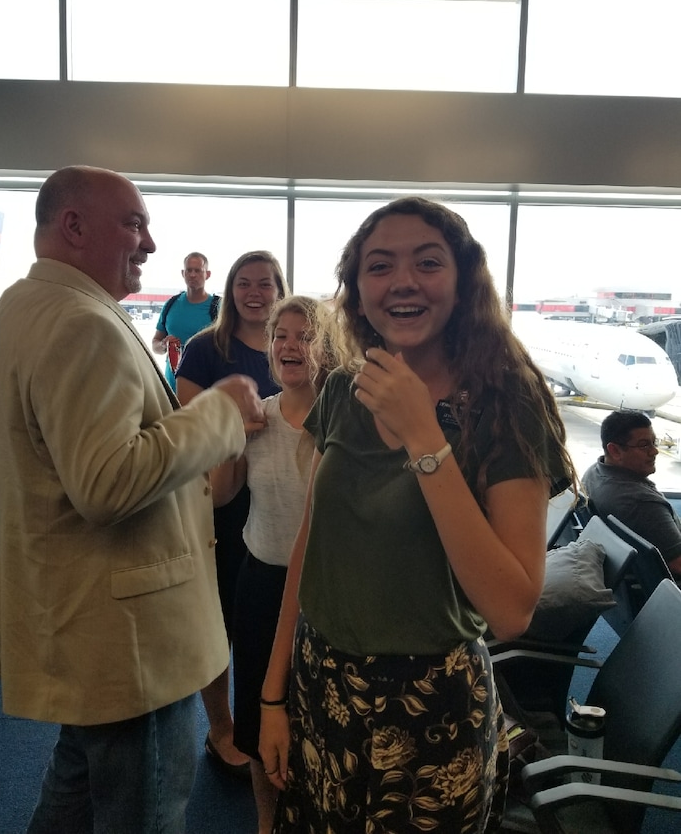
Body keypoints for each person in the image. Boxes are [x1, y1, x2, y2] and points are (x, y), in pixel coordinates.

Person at [259, 197, 575, 833]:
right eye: (380, 266)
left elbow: (511, 609)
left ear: (462, 282)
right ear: (359, 290)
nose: (402, 281)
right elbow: (311, 544)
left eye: (427, 262)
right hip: (323, 681)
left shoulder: (505, 402)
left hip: (430, 705)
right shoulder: (348, 388)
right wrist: (272, 694)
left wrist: (425, 440)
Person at [0, 166, 264, 834]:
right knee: (141, 810)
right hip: (127, 638)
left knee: (73, 795)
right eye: (134, 222)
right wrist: (218, 413)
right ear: (73, 226)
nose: (151, 243)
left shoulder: (20, 311)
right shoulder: (82, 323)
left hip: (84, 620)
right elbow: (105, 482)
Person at [210, 295, 343, 833]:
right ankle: (266, 823)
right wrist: (231, 441)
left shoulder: (340, 423)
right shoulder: (257, 416)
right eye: (279, 336)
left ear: (326, 349)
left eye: (304, 336)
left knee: (319, 721)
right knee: (261, 722)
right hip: (262, 584)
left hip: (325, 590)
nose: (289, 345)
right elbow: (221, 497)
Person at [176, 249, 289, 776]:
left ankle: (270, 717)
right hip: (220, 500)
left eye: (265, 283)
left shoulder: (292, 348)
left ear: (279, 288)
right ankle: (221, 729)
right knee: (216, 621)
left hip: (281, 504)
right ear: (230, 289)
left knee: (269, 621)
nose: (255, 293)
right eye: (244, 283)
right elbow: (187, 433)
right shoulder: (205, 349)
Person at [581, 409, 681, 577]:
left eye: (654, 442)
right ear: (614, 451)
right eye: (644, 445)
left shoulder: (594, 473)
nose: (654, 451)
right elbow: (677, 564)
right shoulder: (642, 504)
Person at [152, 252, 220, 391]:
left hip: (207, 392)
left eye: (198, 270)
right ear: (183, 273)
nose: (193, 275)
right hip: (172, 390)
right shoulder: (171, 304)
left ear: (207, 274)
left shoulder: (219, 307)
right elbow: (155, 344)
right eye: (189, 270)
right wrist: (164, 345)